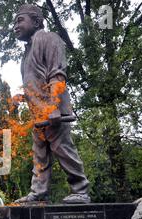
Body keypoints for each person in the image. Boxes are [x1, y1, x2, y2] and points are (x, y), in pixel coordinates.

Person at [12, 4, 90, 204]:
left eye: (20, 20)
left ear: (36, 22)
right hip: (38, 115)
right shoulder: (28, 50)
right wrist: (24, 97)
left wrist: (54, 106)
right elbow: (34, 81)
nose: (15, 25)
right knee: (40, 156)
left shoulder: (49, 39)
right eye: (14, 21)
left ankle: (80, 190)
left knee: (63, 149)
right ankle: (38, 192)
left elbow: (57, 74)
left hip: (53, 113)